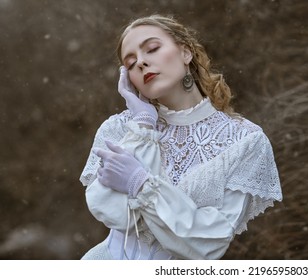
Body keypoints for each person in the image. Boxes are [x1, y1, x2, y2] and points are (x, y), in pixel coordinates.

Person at [79, 14, 282, 260]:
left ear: (186, 53)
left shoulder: (245, 141)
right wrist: (143, 128)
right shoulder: (120, 130)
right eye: (130, 63)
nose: (141, 63)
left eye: (152, 49)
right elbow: (113, 212)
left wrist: (141, 184)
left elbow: (208, 243)